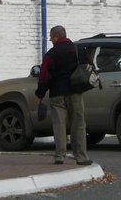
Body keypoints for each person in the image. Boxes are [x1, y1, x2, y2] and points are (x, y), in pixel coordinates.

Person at [36, 25, 93, 167]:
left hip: (57, 94)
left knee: (59, 125)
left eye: (51, 37)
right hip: (75, 91)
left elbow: (44, 75)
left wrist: (40, 93)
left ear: (56, 36)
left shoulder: (51, 54)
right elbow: (90, 65)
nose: (50, 40)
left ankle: (60, 156)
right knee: (78, 124)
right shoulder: (79, 49)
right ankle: (81, 157)